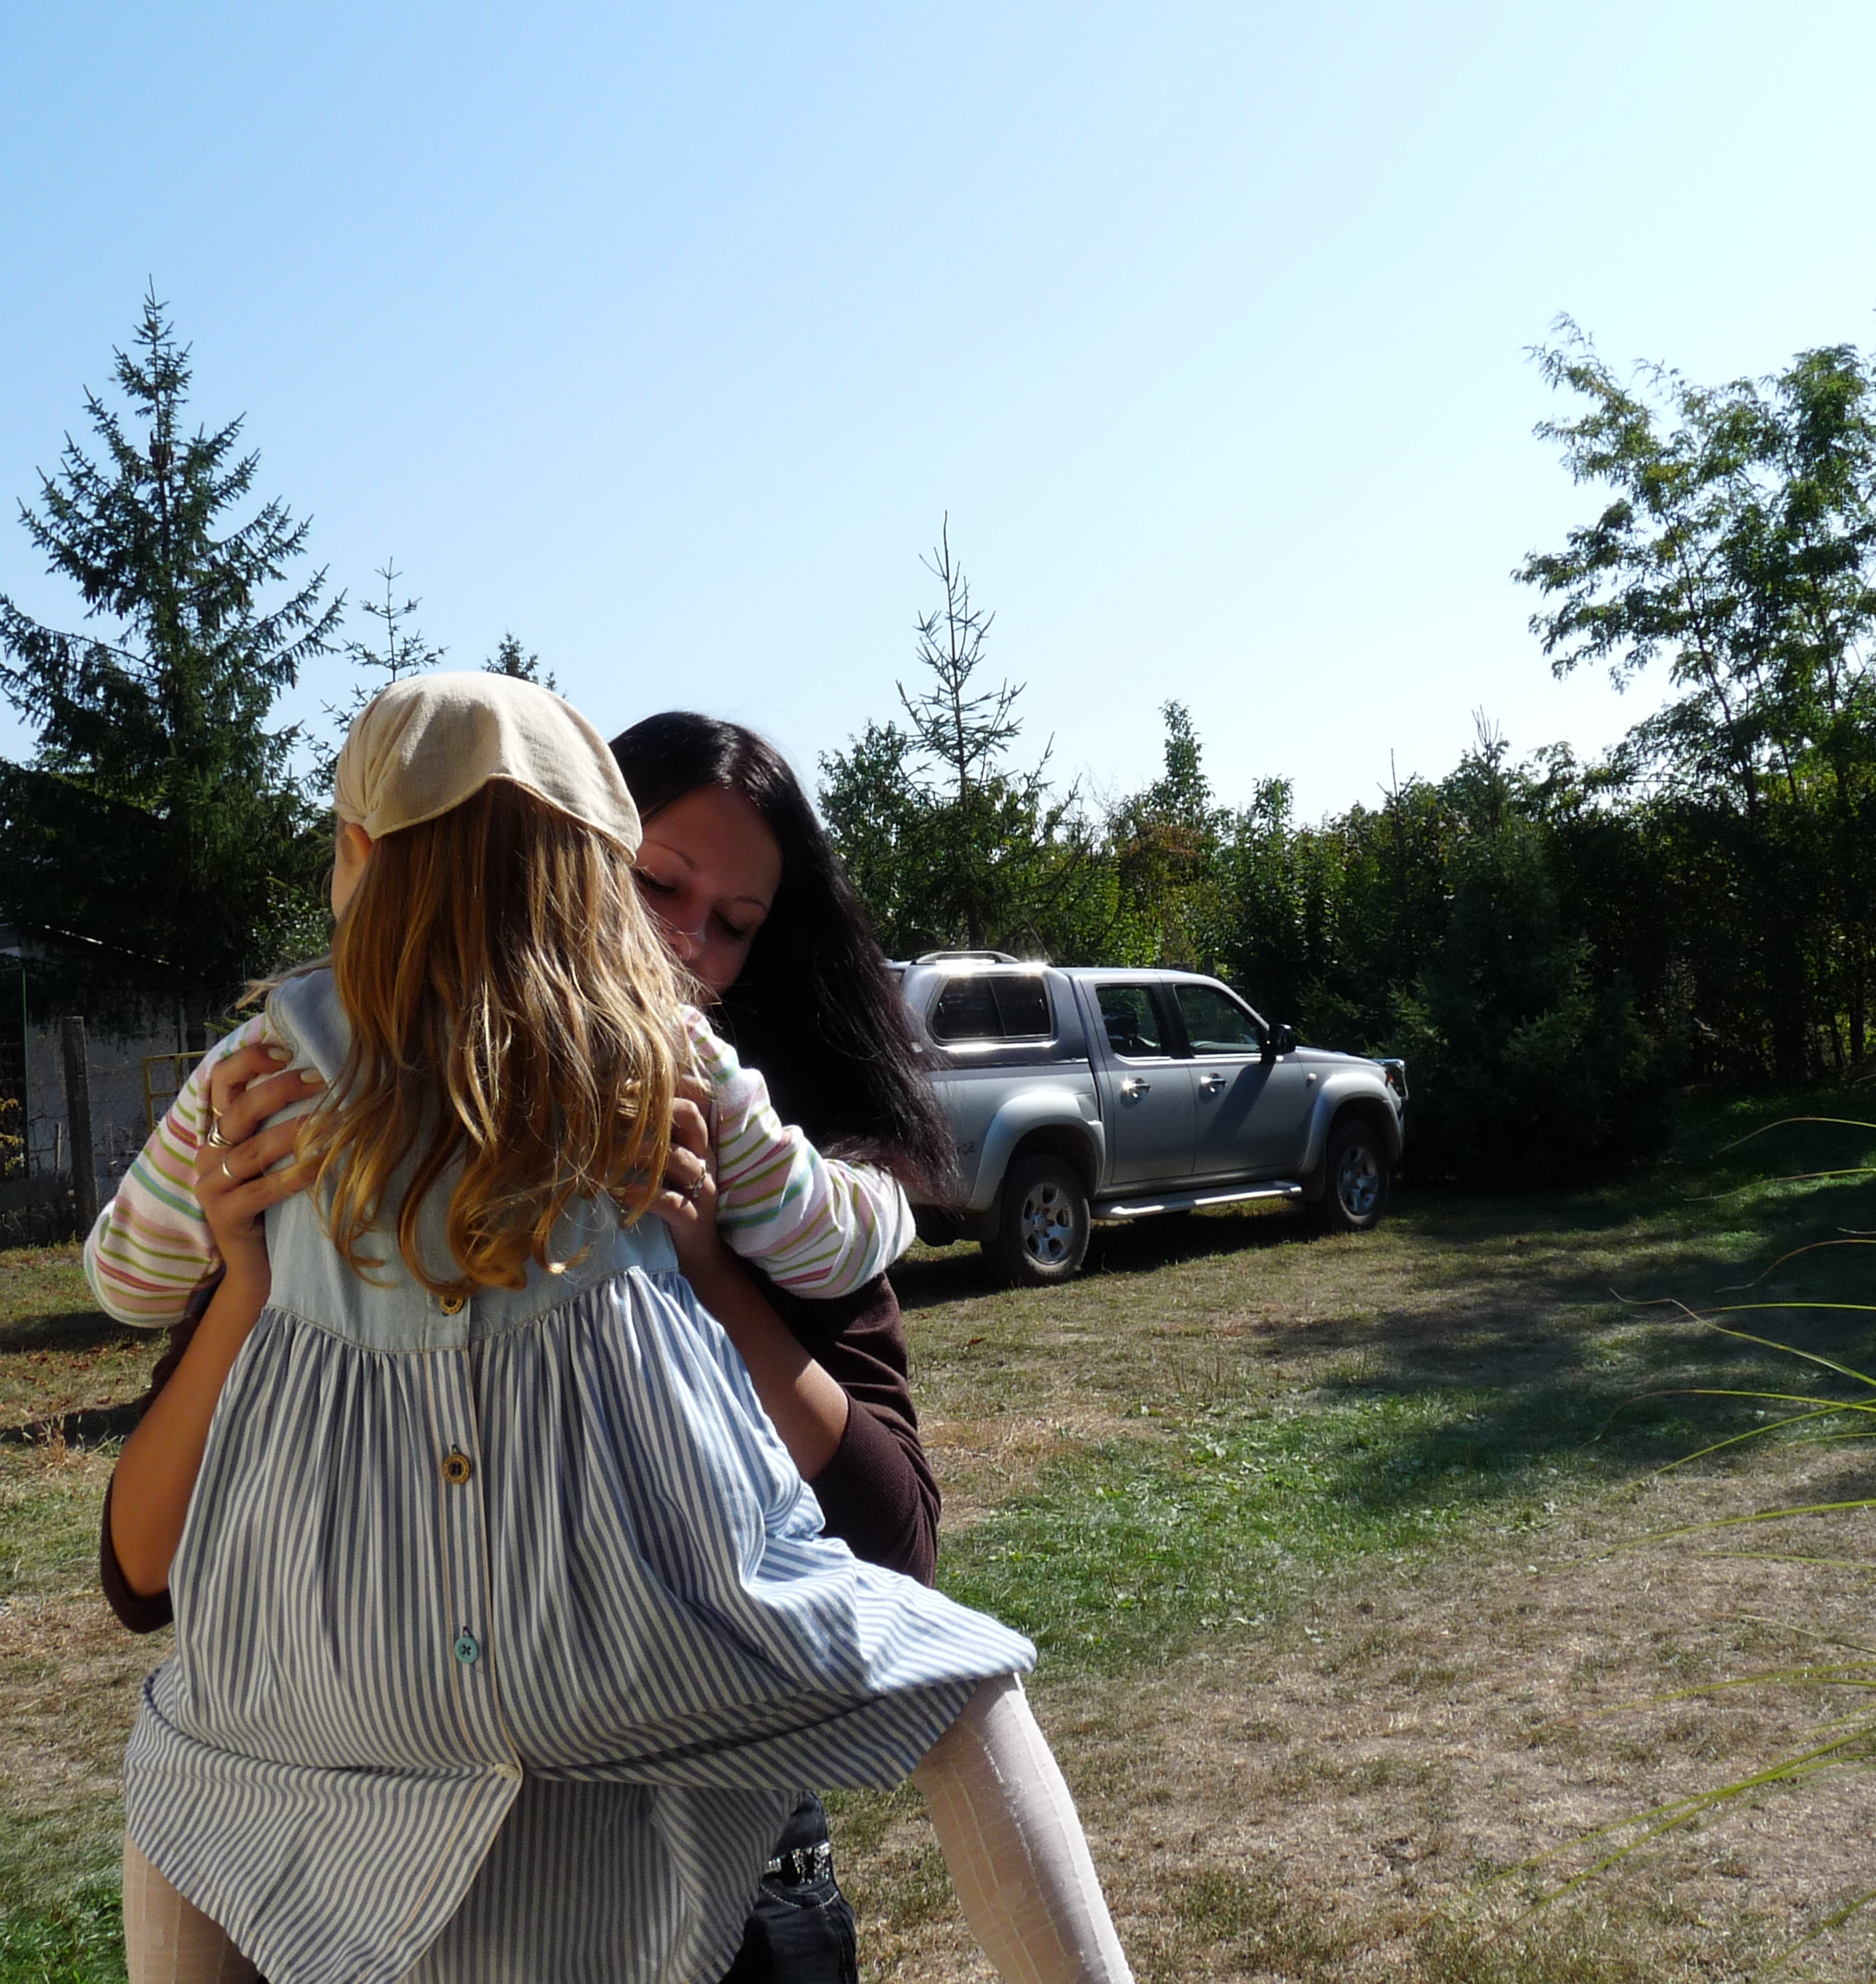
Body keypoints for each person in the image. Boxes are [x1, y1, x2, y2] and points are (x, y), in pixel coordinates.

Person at [81, 673, 1131, 1984]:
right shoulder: (662, 1062)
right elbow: (836, 1235)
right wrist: (877, 1199)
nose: (686, 941)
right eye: (659, 890)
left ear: (354, 854)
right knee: (962, 1691)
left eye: (733, 923)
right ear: (595, 874)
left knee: (189, 1764)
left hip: (340, 1669)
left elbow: (121, 1279)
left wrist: (237, 1253)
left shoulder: (256, 1077)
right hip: (629, 1643)